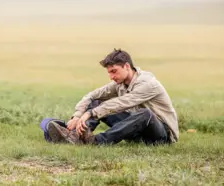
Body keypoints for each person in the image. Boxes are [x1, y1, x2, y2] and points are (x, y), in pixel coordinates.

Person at [41, 48, 179, 145]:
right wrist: (77, 116)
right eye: (109, 73)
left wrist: (89, 113)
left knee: (145, 114)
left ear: (126, 66)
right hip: (136, 131)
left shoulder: (148, 84)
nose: (111, 77)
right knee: (97, 101)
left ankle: (96, 142)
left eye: (114, 71)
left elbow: (122, 103)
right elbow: (91, 95)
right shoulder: (120, 82)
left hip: (161, 136)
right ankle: (75, 136)